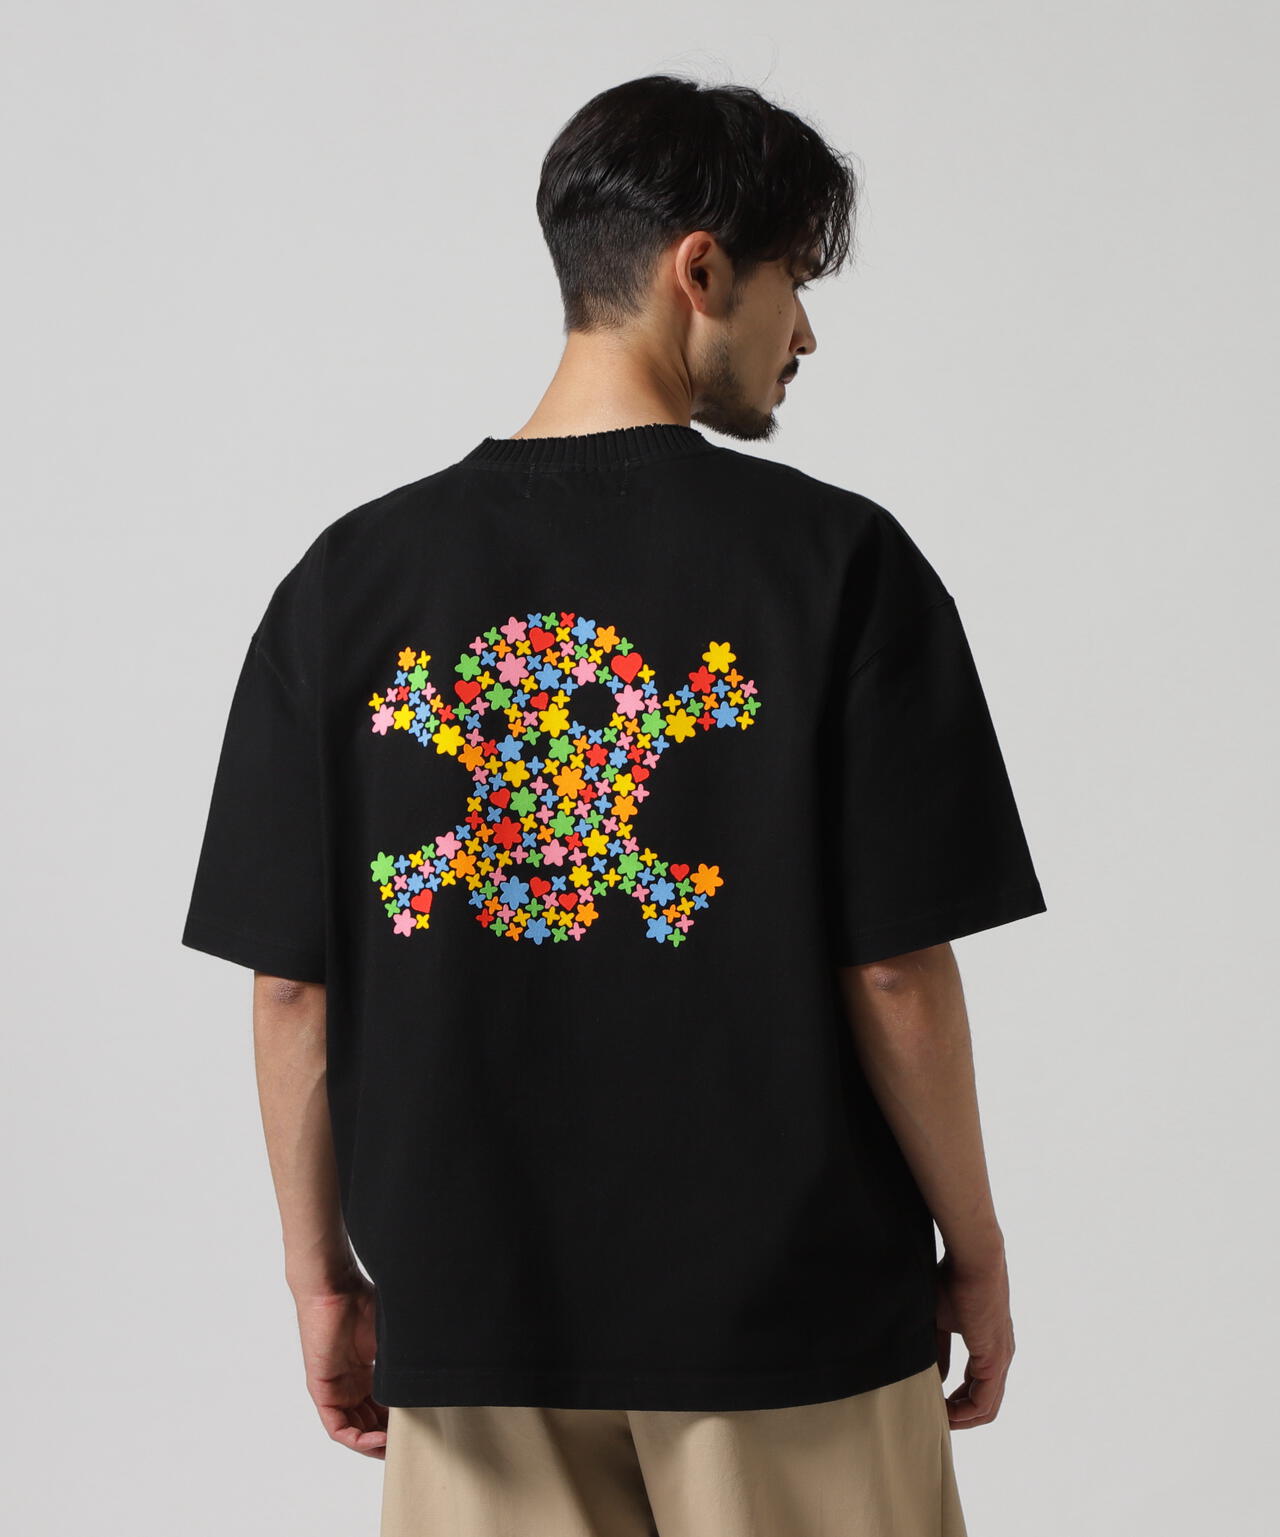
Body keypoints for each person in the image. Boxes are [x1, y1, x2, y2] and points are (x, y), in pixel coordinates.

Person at [182, 73, 1047, 1537]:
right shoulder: (838, 566)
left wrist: (322, 1279)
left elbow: (292, 993)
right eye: (795, 283)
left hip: (476, 1333)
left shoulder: (345, 587)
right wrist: (975, 1244)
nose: (805, 334)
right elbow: (896, 971)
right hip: (794, 1330)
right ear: (699, 270)